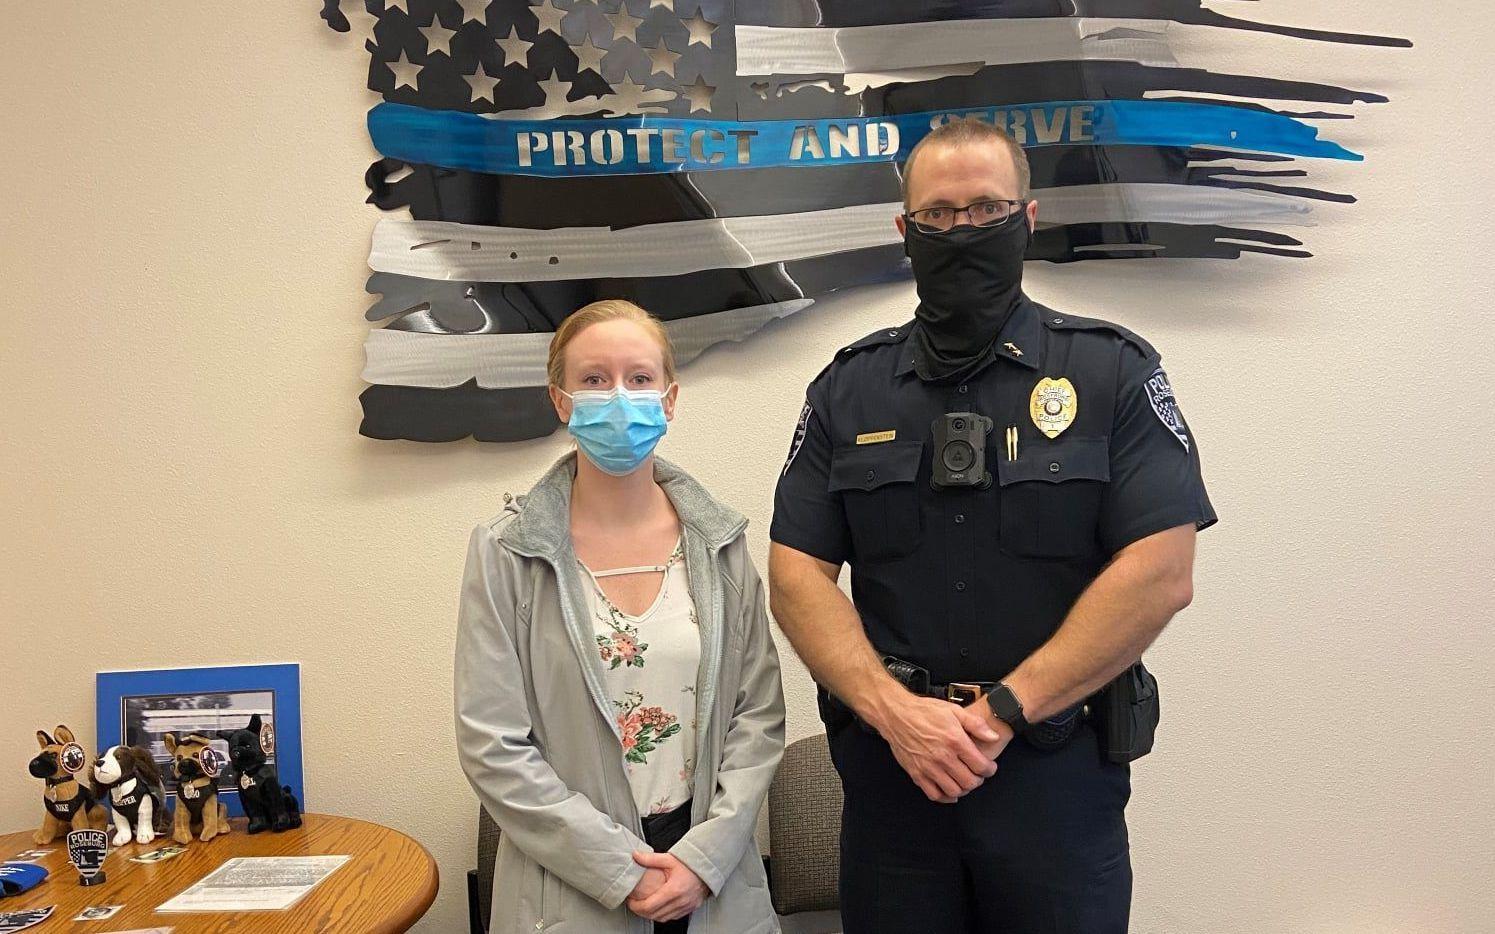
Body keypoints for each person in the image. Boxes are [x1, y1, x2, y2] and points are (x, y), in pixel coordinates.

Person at [768, 119, 1217, 933]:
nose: (962, 229)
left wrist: (1001, 711)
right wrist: (894, 714)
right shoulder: (847, 389)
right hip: (895, 783)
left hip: (1055, 781)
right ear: (904, 229)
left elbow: (1160, 571)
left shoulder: (1110, 371)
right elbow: (796, 575)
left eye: (985, 209)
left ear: (1027, 218)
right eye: (937, 214)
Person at [455, 300, 785, 934]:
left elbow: (759, 715)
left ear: (669, 398)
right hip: (574, 885)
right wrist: (618, 870)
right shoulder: (506, 553)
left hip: (711, 879)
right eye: (593, 379)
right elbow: (492, 744)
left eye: (638, 378)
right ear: (560, 401)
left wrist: (703, 860)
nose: (618, 397)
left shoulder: (720, 543)